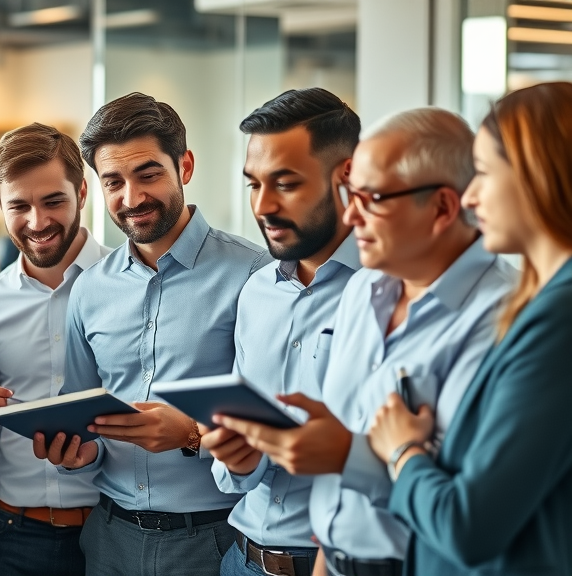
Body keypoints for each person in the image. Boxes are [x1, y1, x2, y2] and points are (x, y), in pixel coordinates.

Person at [216, 107, 516, 576]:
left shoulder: (506, 316)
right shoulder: (365, 289)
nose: (351, 215)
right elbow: (339, 498)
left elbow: (478, 512)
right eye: (350, 194)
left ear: (442, 208)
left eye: (371, 198)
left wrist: (350, 455)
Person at [38, 92, 271, 576]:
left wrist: (191, 434)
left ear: (184, 166)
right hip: (109, 537)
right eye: (114, 182)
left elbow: (273, 423)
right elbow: (83, 410)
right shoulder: (89, 289)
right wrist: (76, 453)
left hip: (213, 538)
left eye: (148, 174)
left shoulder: (254, 275)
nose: (132, 198)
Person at [366, 82, 572, 576]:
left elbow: (468, 525)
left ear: (538, 176)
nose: (471, 196)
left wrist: (403, 452)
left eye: (483, 172)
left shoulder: (559, 318)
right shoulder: (542, 302)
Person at [201, 88, 361, 576]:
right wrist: (238, 458)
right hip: (241, 559)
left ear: (347, 178)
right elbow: (238, 469)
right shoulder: (256, 292)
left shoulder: (388, 293)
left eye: (285, 184)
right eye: (253, 184)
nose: (263, 205)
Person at [0, 122, 108, 576]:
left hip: (113, 532)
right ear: (0, 205)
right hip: (13, 536)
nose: (37, 222)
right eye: (19, 206)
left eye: (53, 201)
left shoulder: (128, 285)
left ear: (82, 193)